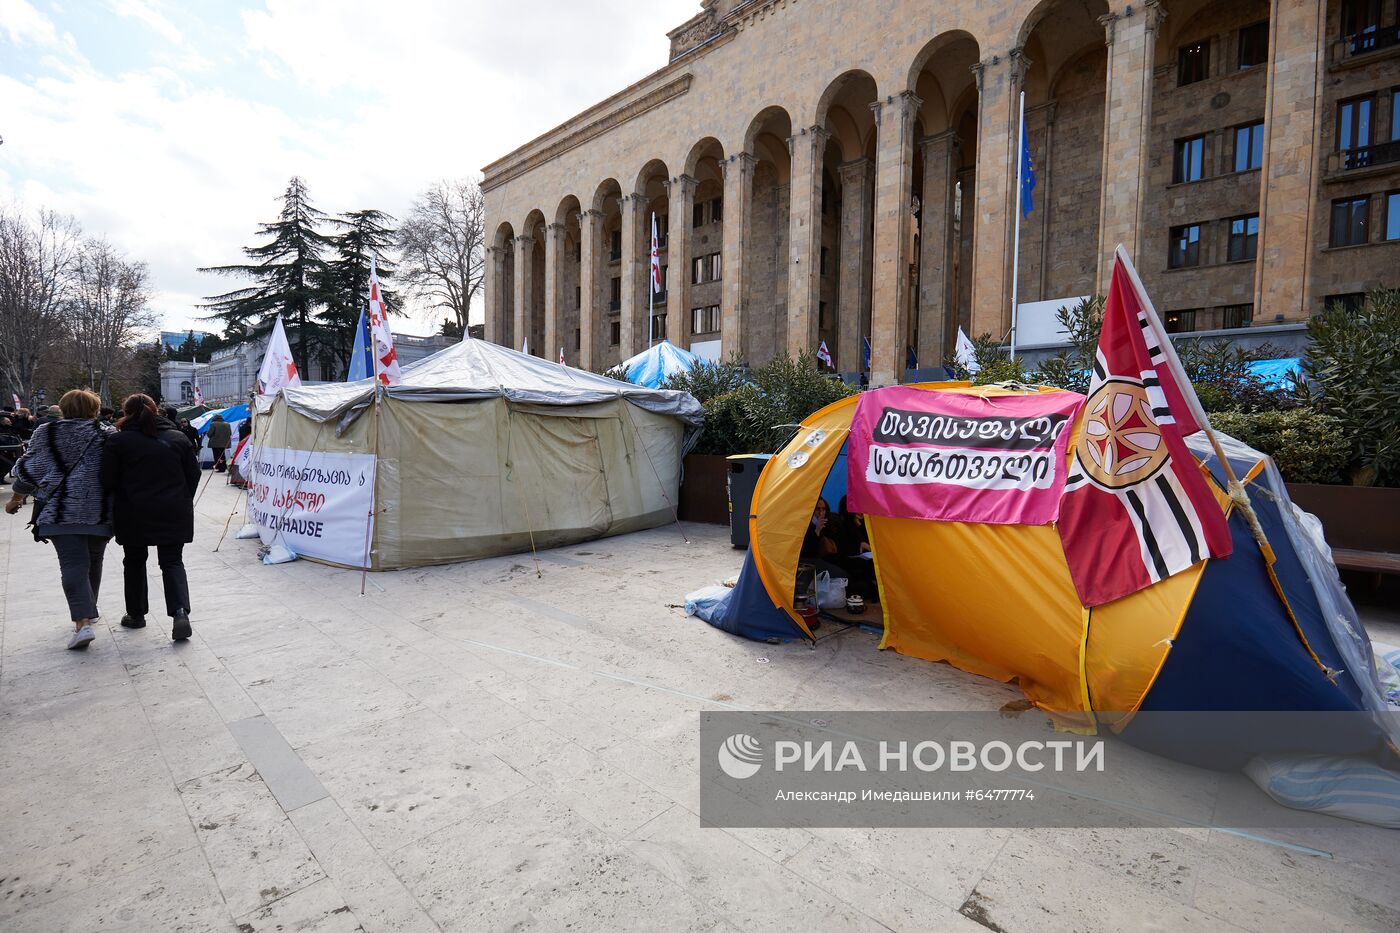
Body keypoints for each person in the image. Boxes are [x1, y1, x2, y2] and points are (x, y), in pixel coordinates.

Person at [4, 389, 112, 650]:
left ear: (63, 409)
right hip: (100, 510)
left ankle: (82, 622)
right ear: (94, 409)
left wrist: (16, 499)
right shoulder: (107, 434)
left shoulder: (47, 432)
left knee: (73, 564)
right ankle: (90, 608)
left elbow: (30, 470)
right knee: (93, 560)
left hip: (60, 511)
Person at [101, 394, 198, 641]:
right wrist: (182, 498)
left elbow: (107, 480)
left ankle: (136, 614)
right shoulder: (178, 438)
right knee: (172, 561)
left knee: (133, 561)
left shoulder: (119, 442)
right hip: (173, 509)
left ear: (126, 412)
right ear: (156, 410)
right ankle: (179, 613)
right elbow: (193, 474)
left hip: (132, 510)